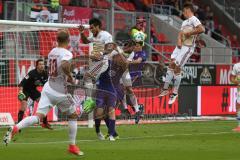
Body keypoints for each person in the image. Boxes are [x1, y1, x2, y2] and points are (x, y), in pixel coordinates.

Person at [3, 30, 84, 156]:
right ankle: (72, 146)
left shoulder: (52, 52)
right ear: (68, 41)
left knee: (38, 116)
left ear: (57, 40)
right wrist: (70, 77)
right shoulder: (67, 53)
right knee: (73, 115)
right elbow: (64, 65)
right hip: (60, 90)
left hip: (48, 88)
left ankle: (16, 127)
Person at [159, 3, 205, 104]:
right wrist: (179, 40)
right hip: (180, 46)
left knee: (177, 67)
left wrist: (190, 33)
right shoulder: (184, 22)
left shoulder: (193, 19)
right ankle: (165, 88)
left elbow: (202, 29)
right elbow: (180, 33)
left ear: (188, 10)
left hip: (187, 48)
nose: (183, 12)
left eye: (184, 11)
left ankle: (174, 93)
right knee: (171, 64)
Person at [94, 43, 128, 141]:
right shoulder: (106, 62)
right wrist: (106, 52)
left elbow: (125, 63)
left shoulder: (120, 66)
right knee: (99, 112)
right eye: (117, 56)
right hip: (101, 89)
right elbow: (96, 58)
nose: (119, 58)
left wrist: (119, 50)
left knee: (111, 111)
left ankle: (111, 134)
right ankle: (99, 131)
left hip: (113, 91)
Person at [17, 59, 52, 130]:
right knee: (23, 106)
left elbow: (46, 84)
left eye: (43, 64)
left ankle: (45, 123)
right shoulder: (31, 73)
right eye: (40, 64)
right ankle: (18, 125)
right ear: (37, 66)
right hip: (25, 90)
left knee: (43, 103)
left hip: (33, 90)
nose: (42, 66)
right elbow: (22, 83)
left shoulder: (45, 73)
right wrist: (20, 91)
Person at [230, 62, 240, 132]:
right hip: (239, 89)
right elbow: (231, 79)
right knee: (238, 106)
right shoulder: (236, 66)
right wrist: (237, 81)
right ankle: (239, 126)